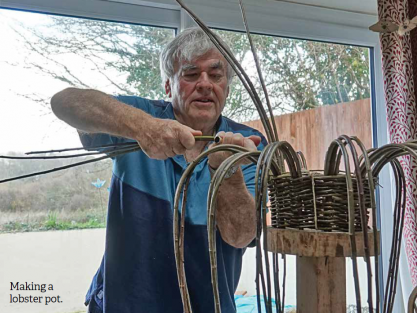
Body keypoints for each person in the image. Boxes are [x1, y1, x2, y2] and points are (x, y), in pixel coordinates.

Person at [50, 27, 267, 313]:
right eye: (190, 74)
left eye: (216, 75)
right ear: (168, 85)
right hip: (124, 305)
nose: (205, 84)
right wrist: (144, 128)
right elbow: (65, 102)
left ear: (226, 86)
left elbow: (241, 236)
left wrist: (226, 170)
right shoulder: (141, 118)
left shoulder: (248, 143)